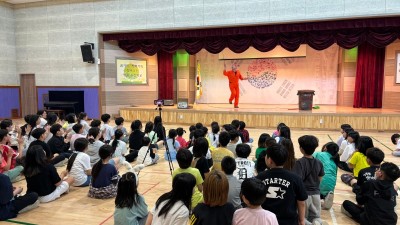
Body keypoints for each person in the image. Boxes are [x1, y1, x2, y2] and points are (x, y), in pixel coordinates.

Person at [256, 143, 308, 225]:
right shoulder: (295, 178)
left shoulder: (259, 177)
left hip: (265, 221)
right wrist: (301, 221)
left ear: (270, 160)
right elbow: (301, 202)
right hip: (289, 221)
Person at [293, 135, 328, 225]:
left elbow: (297, 181)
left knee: (301, 218)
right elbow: (320, 178)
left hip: (304, 196)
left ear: (301, 148)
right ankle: (318, 222)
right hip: (316, 195)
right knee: (315, 217)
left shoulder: (299, 163)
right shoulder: (319, 162)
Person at [313, 142, 339, 210]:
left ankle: (316, 198)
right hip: (331, 185)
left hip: (319, 183)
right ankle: (326, 195)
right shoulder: (335, 160)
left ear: (325, 148)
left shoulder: (319, 154)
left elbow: (308, 158)